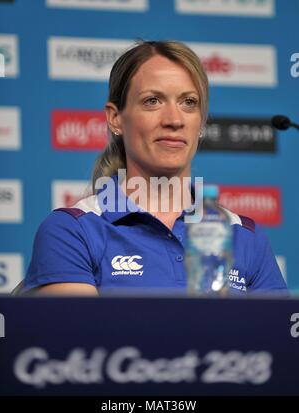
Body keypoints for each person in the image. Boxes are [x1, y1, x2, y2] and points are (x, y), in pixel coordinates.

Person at [20, 40, 287, 296]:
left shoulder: (245, 235)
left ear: (202, 122)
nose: (174, 120)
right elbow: (80, 341)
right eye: (152, 101)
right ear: (115, 119)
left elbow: (276, 340)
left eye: (189, 102)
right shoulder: (72, 230)